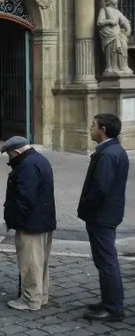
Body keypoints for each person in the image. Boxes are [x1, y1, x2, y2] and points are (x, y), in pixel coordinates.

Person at [78, 114, 129, 322]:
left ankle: (113, 307)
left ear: (103, 130)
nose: (90, 128)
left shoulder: (108, 155)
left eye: (93, 125)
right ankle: (109, 301)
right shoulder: (113, 150)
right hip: (107, 213)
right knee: (106, 261)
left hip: (102, 215)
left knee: (106, 262)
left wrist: (86, 208)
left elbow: (100, 189)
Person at [0, 136, 56, 312]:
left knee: (30, 263)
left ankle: (30, 300)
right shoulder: (39, 159)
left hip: (31, 223)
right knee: (40, 262)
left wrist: (17, 221)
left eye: (10, 155)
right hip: (43, 220)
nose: (10, 159)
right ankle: (41, 295)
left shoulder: (26, 166)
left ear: (16, 152)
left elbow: (25, 197)